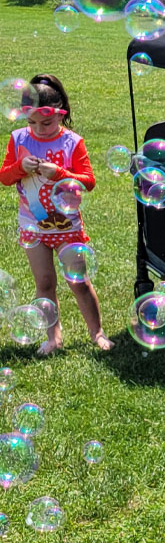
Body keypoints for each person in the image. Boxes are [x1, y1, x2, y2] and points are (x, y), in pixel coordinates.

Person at [0, 74, 114, 354]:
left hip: (68, 227)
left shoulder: (73, 142)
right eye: (32, 122)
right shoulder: (18, 140)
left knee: (79, 283)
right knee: (45, 283)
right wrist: (19, 168)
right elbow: (4, 177)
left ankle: (97, 332)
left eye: (47, 122)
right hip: (33, 226)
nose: (39, 129)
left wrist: (61, 173)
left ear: (60, 114)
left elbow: (88, 180)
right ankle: (53, 338)